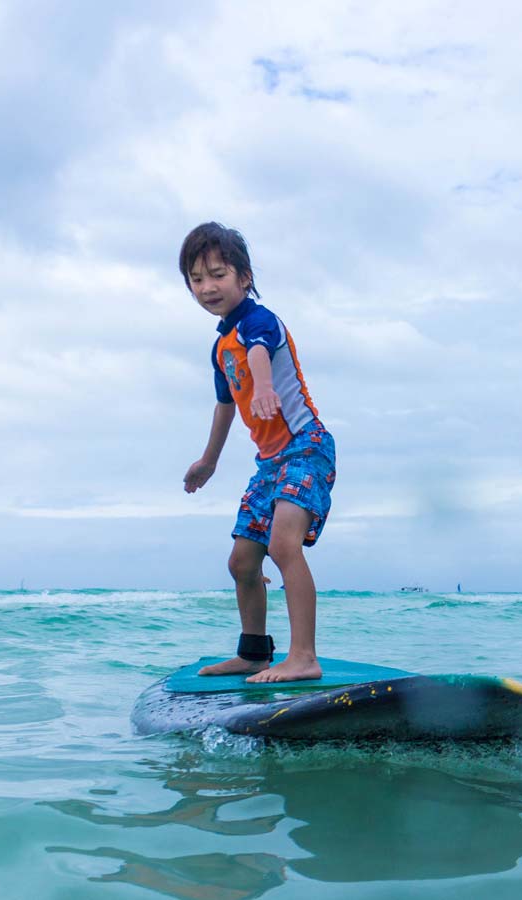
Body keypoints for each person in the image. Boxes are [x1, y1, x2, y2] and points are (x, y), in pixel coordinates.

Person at [180, 222, 336, 683]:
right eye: (196, 278)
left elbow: (259, 354)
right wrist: (208, 460)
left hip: (306, 447)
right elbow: (226, 404)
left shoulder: (258, 320)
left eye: (218, 274)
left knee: (283, 544)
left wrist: (265, 387)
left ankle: (304, 657)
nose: (208, 287)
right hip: (269, 464)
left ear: (244, 277)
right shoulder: (219, 348)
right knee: (242, 562)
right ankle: (253, 653)